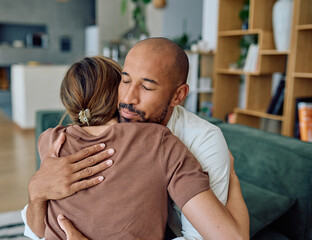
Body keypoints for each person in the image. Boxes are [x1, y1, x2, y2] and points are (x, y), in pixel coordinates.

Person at [22, 38, 249, 239]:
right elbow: (36, 231)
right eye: (126, 80)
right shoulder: (115, 118)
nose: (128, 99)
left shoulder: (200, 140)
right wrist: (37, 191)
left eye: (147, 87)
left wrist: (234, 183)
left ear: (178, 95)